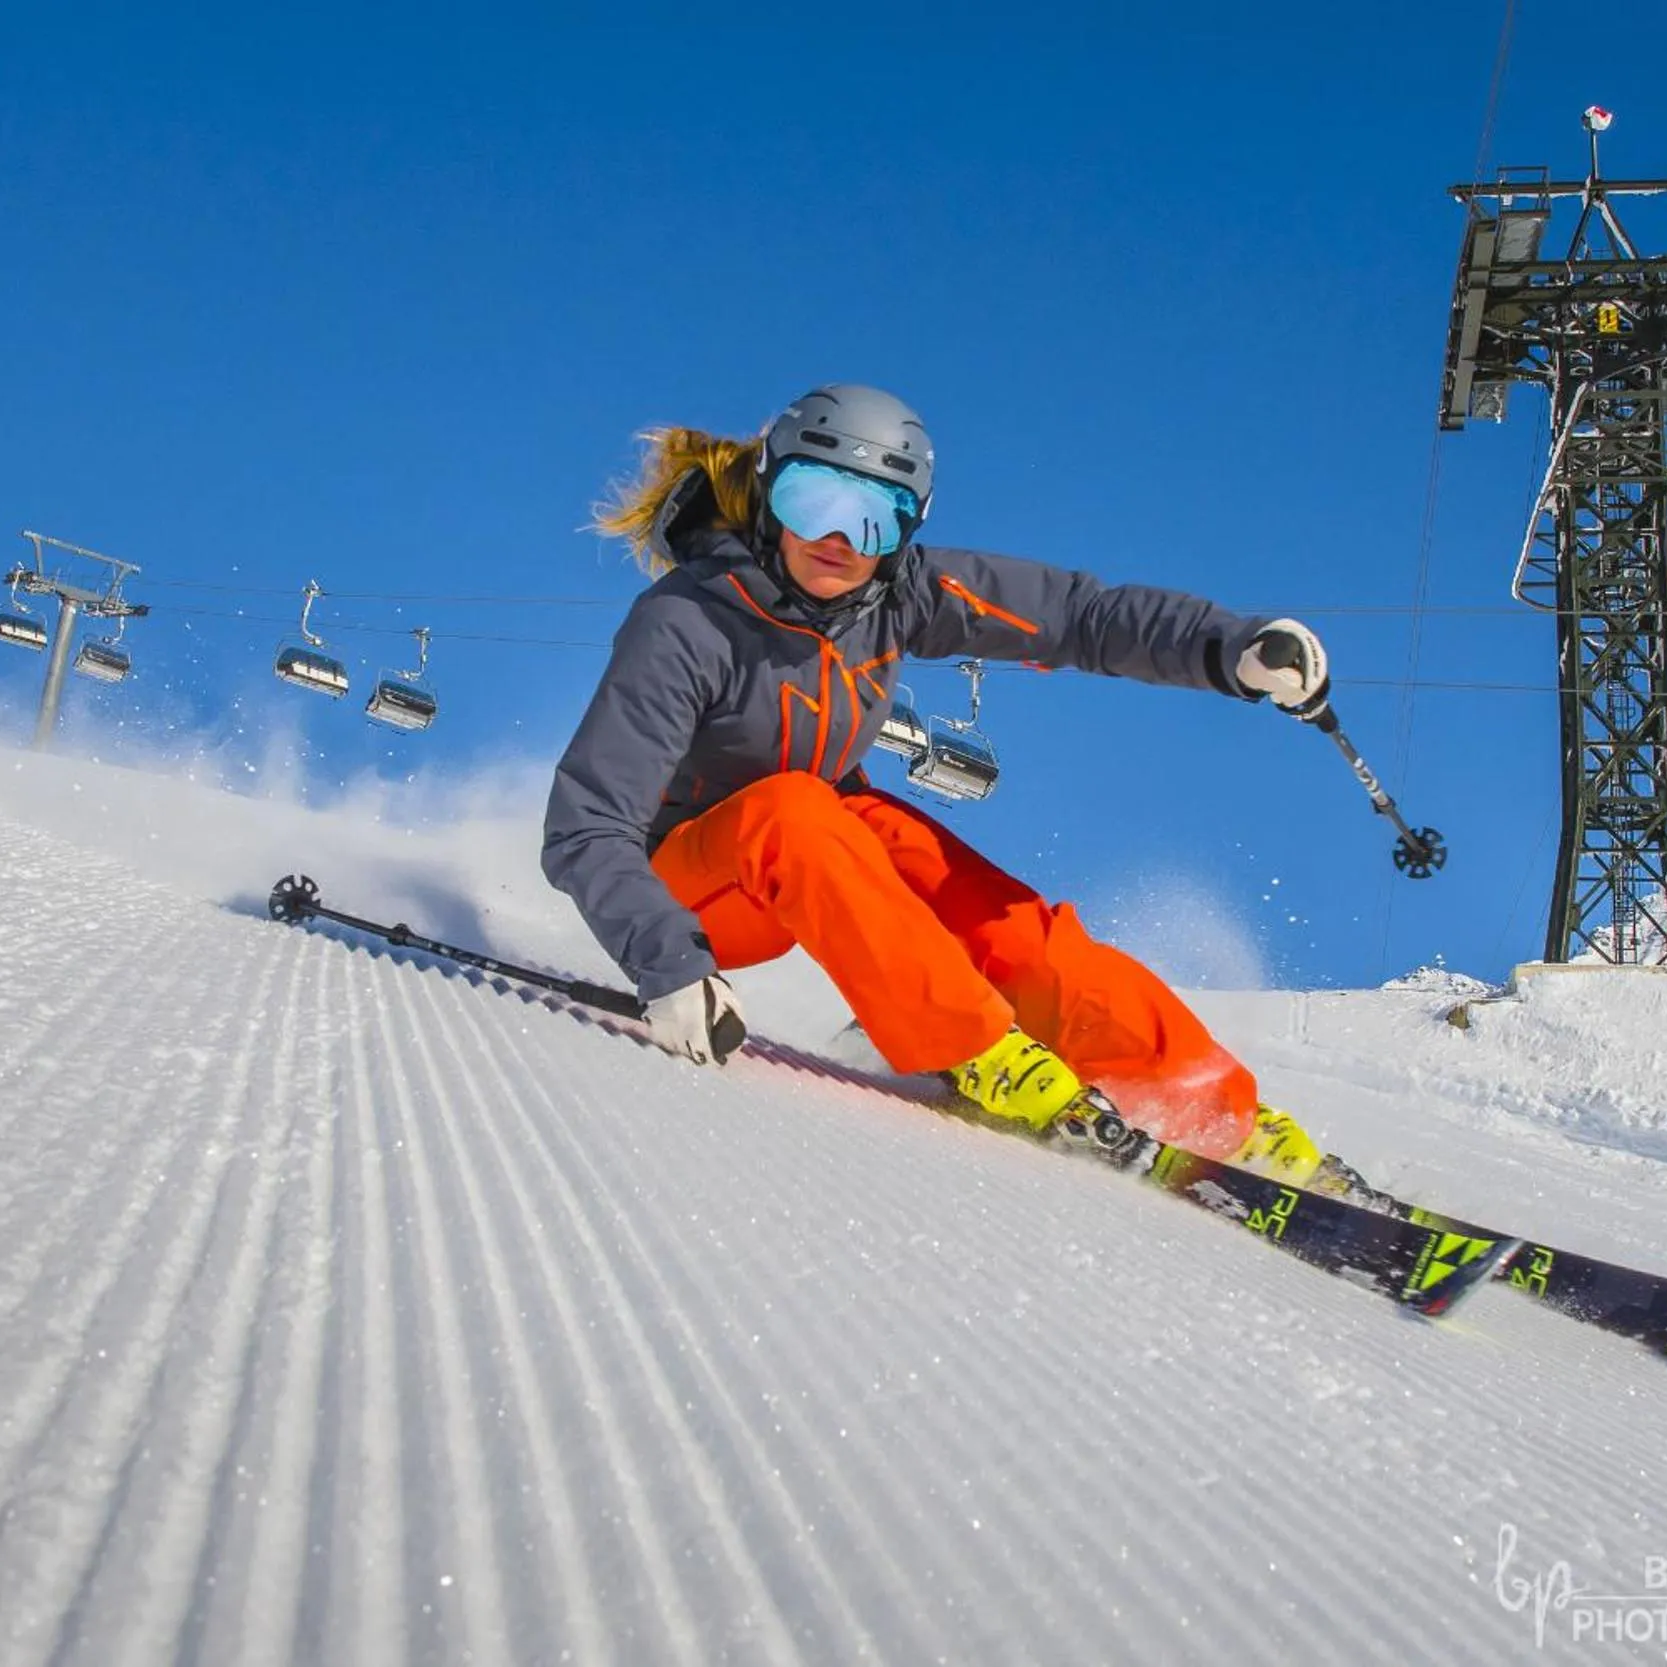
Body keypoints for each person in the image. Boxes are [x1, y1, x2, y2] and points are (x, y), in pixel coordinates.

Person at [542, 384, 1331, 1171]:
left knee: (983, 905)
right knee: (796, 807)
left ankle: (1215, 1108)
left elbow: (1080, 616)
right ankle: (978, 1049)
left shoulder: (899, 593)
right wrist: (668, 960)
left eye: (874, 517)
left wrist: (1228, 648)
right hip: (692, 892)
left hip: (819, 848)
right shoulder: (686, 621)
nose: (839, 540)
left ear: (906, 529)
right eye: (813, 499)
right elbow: (585, 824)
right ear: (768, 494)